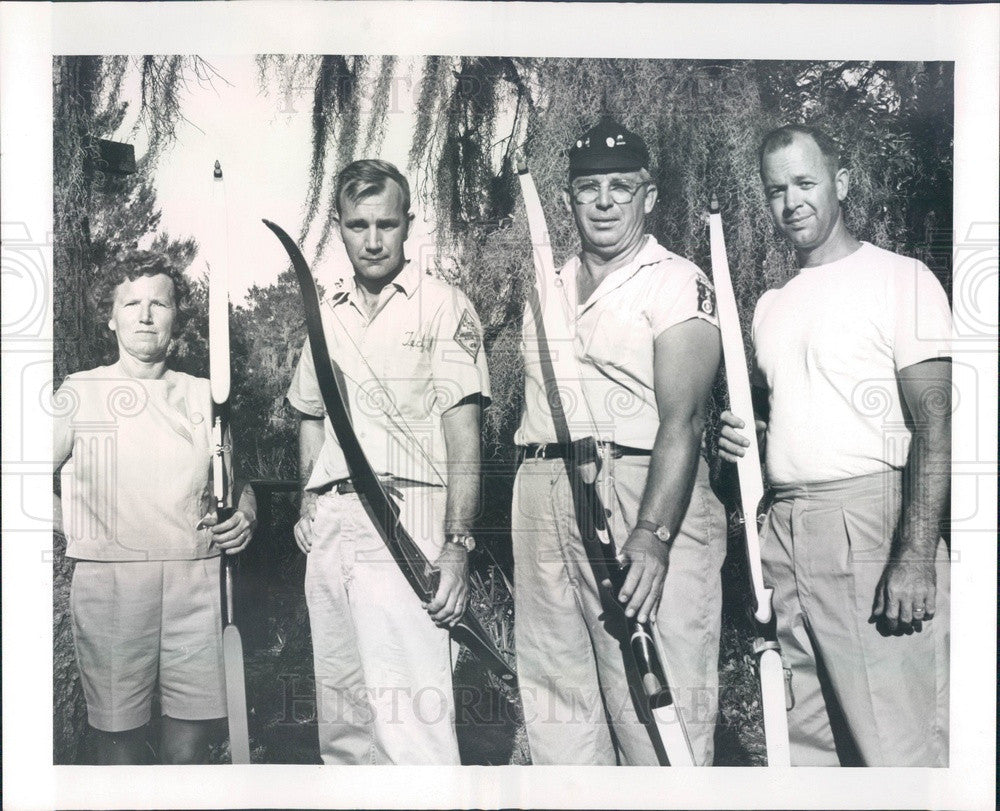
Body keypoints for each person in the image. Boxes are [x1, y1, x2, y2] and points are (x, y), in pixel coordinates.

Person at [718, 123, 951, 766]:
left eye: (804, 182)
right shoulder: (770, 304)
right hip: (786, 527)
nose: (790, 201)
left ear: (840, 184)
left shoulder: (900, 279)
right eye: (775, 190)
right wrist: (745, 438)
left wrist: (916, 555)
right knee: (808, 747)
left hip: (871, 525)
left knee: (896, 745)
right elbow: (795, 415)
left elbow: (938, 428)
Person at [512, 118, 727, 765]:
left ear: (648, 195)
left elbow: (683, 419)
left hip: (638, 491)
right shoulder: (547, 286)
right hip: (543, 492)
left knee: (659, 706)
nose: (603, 202)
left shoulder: (675, 280)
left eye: (620, 187)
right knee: (560, 707)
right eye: (588, 188)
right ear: (569, 198)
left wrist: (654, 533)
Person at [286, 159, 490, 765]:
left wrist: (457, 545)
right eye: (357, 225)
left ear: (409, 224)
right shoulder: (327, 311)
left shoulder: (443, 306)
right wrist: (307, 500)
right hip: (333, 525)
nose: (372, 240)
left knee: (412, 725)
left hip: (406, 520)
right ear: (340, 228)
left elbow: (464, 436)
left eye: (385, 224)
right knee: (345, 727)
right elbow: (309, 412)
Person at [53, 251, 256, 764]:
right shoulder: (80, 392)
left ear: (175, 317)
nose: (145, 315)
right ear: (112, 316)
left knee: (189, 745)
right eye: (132, 303)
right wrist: (77, 528)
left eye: (159, 303)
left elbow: (238, 482)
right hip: (112, 586)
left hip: (198, 581)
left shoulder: (205, 394)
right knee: (119, 741)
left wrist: (245, 517)